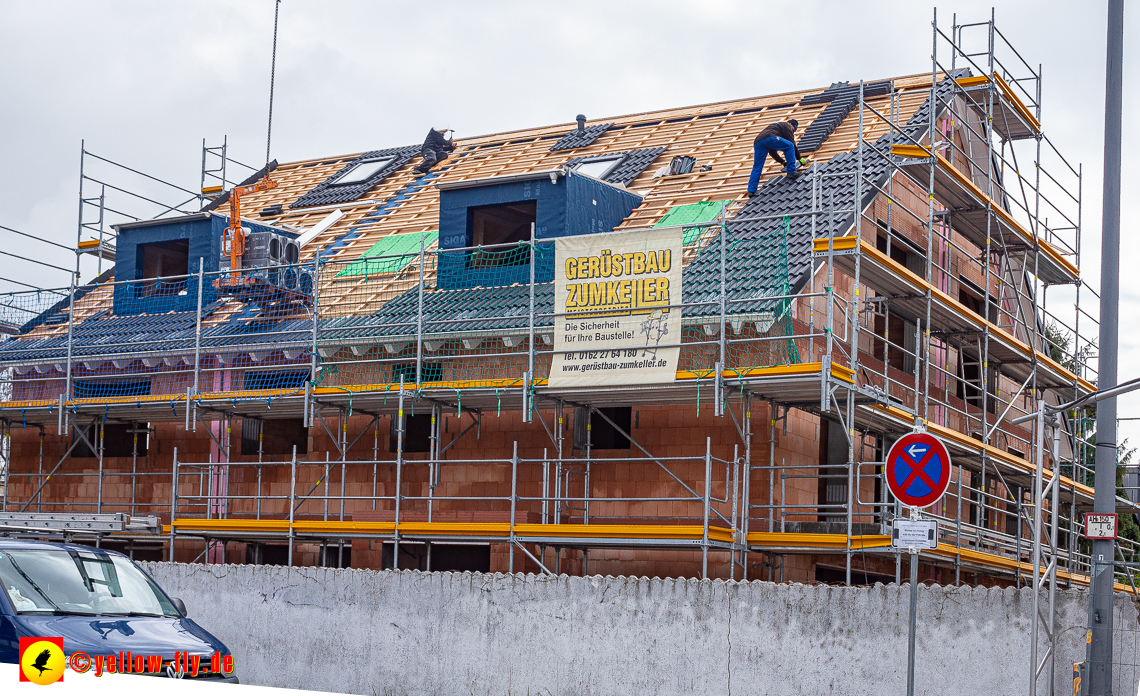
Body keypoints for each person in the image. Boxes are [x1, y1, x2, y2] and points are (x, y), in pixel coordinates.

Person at [746, 119, 803, 196]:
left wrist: (782, 162)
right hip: (770, 137)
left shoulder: (777, 127)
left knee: (757, 166)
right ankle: (791, 171)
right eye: (793, 129)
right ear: (791, 124)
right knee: (790, 146)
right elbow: (792, 142)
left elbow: (772, 152)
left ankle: (751, 190)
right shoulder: (787, 126)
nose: (792, 131)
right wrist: (799, 158)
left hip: (758, 142)